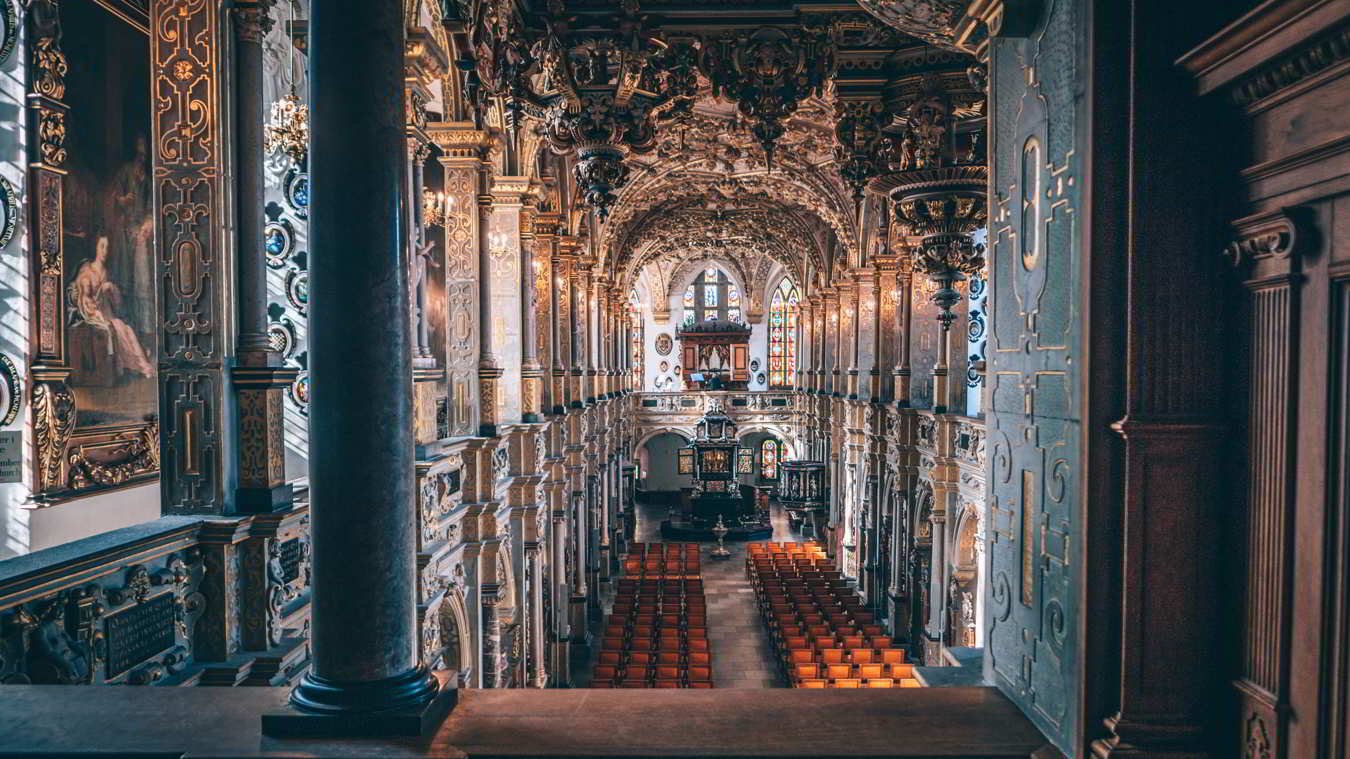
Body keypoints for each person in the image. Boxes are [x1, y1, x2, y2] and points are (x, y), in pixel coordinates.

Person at [68, 236, 155, 379]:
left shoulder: (106, 272)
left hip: (107, 312)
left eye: (108, 248)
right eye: (102, 246)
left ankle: (134, 365)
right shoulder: (87, 271)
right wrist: (95, 301)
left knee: (126, 329)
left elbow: (116, 303)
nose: (105, 251)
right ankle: (125, 367)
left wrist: (112, 290)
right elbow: (84, 298)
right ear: (96, 247)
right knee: (119, 329)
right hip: (94, 313)